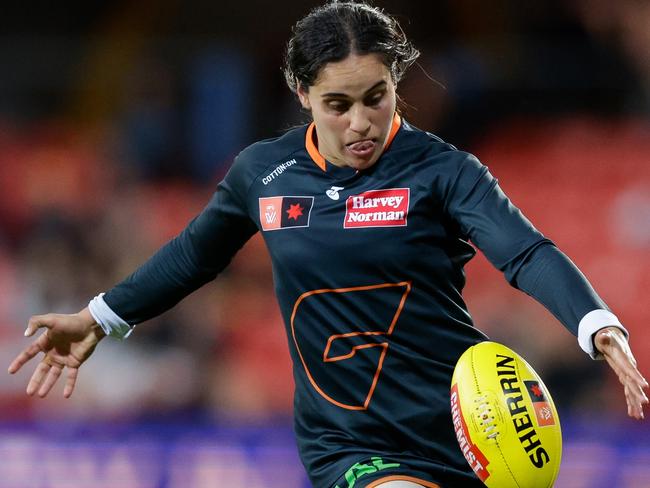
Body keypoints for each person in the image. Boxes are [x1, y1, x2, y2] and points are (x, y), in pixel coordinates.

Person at [8, 2, 648, 487]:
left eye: (377, 97)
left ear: (398, 84)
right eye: (337, 103)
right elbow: (195, 255)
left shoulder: (443, 170)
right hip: (348, 441)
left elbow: (526, 252)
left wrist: (598, 326)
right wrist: (100, 316)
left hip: (466, 427)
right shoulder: (263, 173)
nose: (361, 121)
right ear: (302, 94)